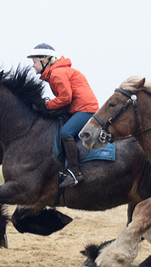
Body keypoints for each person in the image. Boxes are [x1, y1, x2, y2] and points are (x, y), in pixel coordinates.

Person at [27, 43, 99, 187]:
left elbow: (66, 98)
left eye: (34, 62)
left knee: (66, 132)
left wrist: (45, 106)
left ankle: (74, 172)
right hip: (79, 108)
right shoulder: (56, 72)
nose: (33, 66)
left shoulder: (56, 73)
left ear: (44, 61)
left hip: (86, 109)